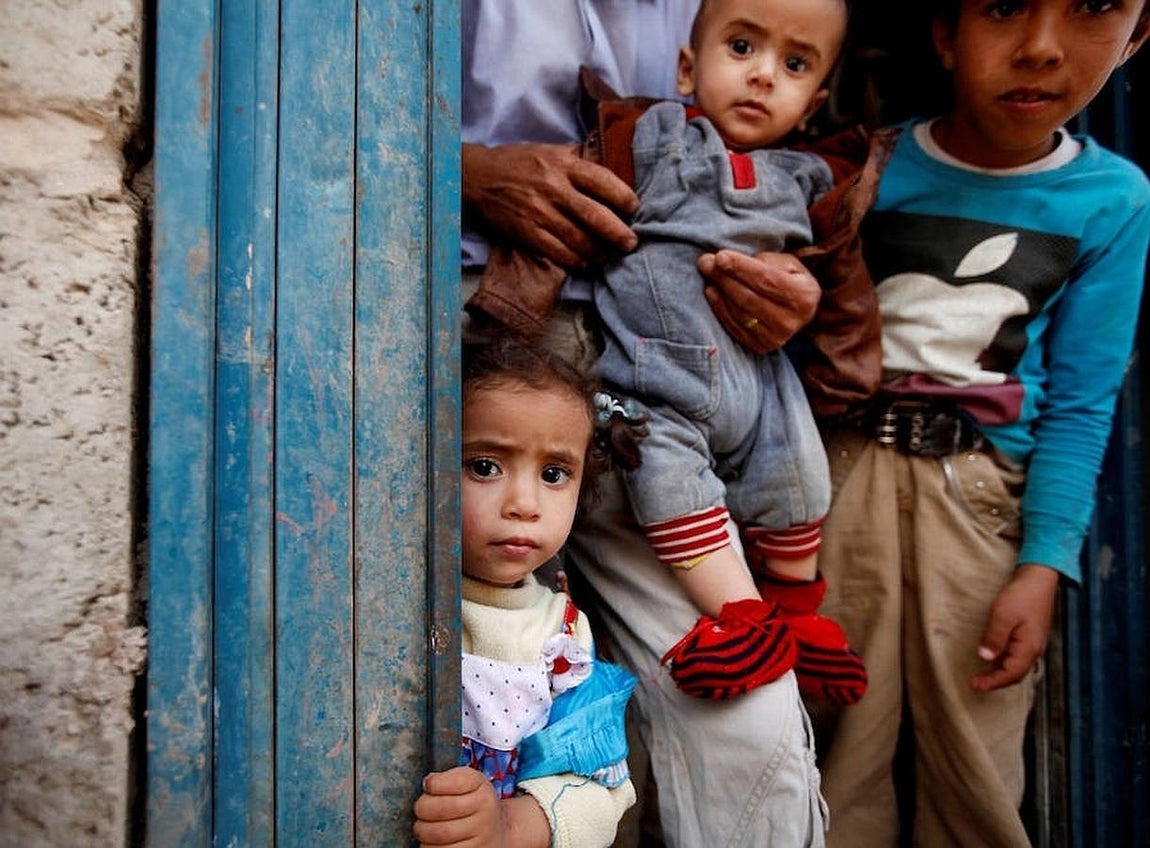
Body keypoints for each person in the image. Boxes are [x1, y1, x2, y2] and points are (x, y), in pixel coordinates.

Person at [810, 1, 1150, 845]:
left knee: (976, 768)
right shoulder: (868, 165)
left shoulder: (1112, 199)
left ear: (1136, 38)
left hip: (982, 503)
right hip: (836, 484)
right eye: (1002, 9)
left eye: (1093, 10)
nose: (1039, 49)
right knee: (834, 759)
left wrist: (1043, 563)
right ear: (946, 35)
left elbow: (1081, 399)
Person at [591, 0, 867, 706]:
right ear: (688, 66)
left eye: (795, 64)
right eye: (741, 47)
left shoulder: (812, 178)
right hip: (660, 380)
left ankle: (799, 617)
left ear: (816, 99)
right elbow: (577, 185)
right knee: (665, 478)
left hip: (761, 374)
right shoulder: (651, 136)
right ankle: (740, 618)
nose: (764, 76)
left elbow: (843, 285)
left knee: (800, 474)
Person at [413, 336, 645, 848]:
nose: (524, 503)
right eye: (484, 467)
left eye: (554, 474)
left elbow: (600, 788)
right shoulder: (392, 598)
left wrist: (509, 827)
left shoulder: (562, 633)